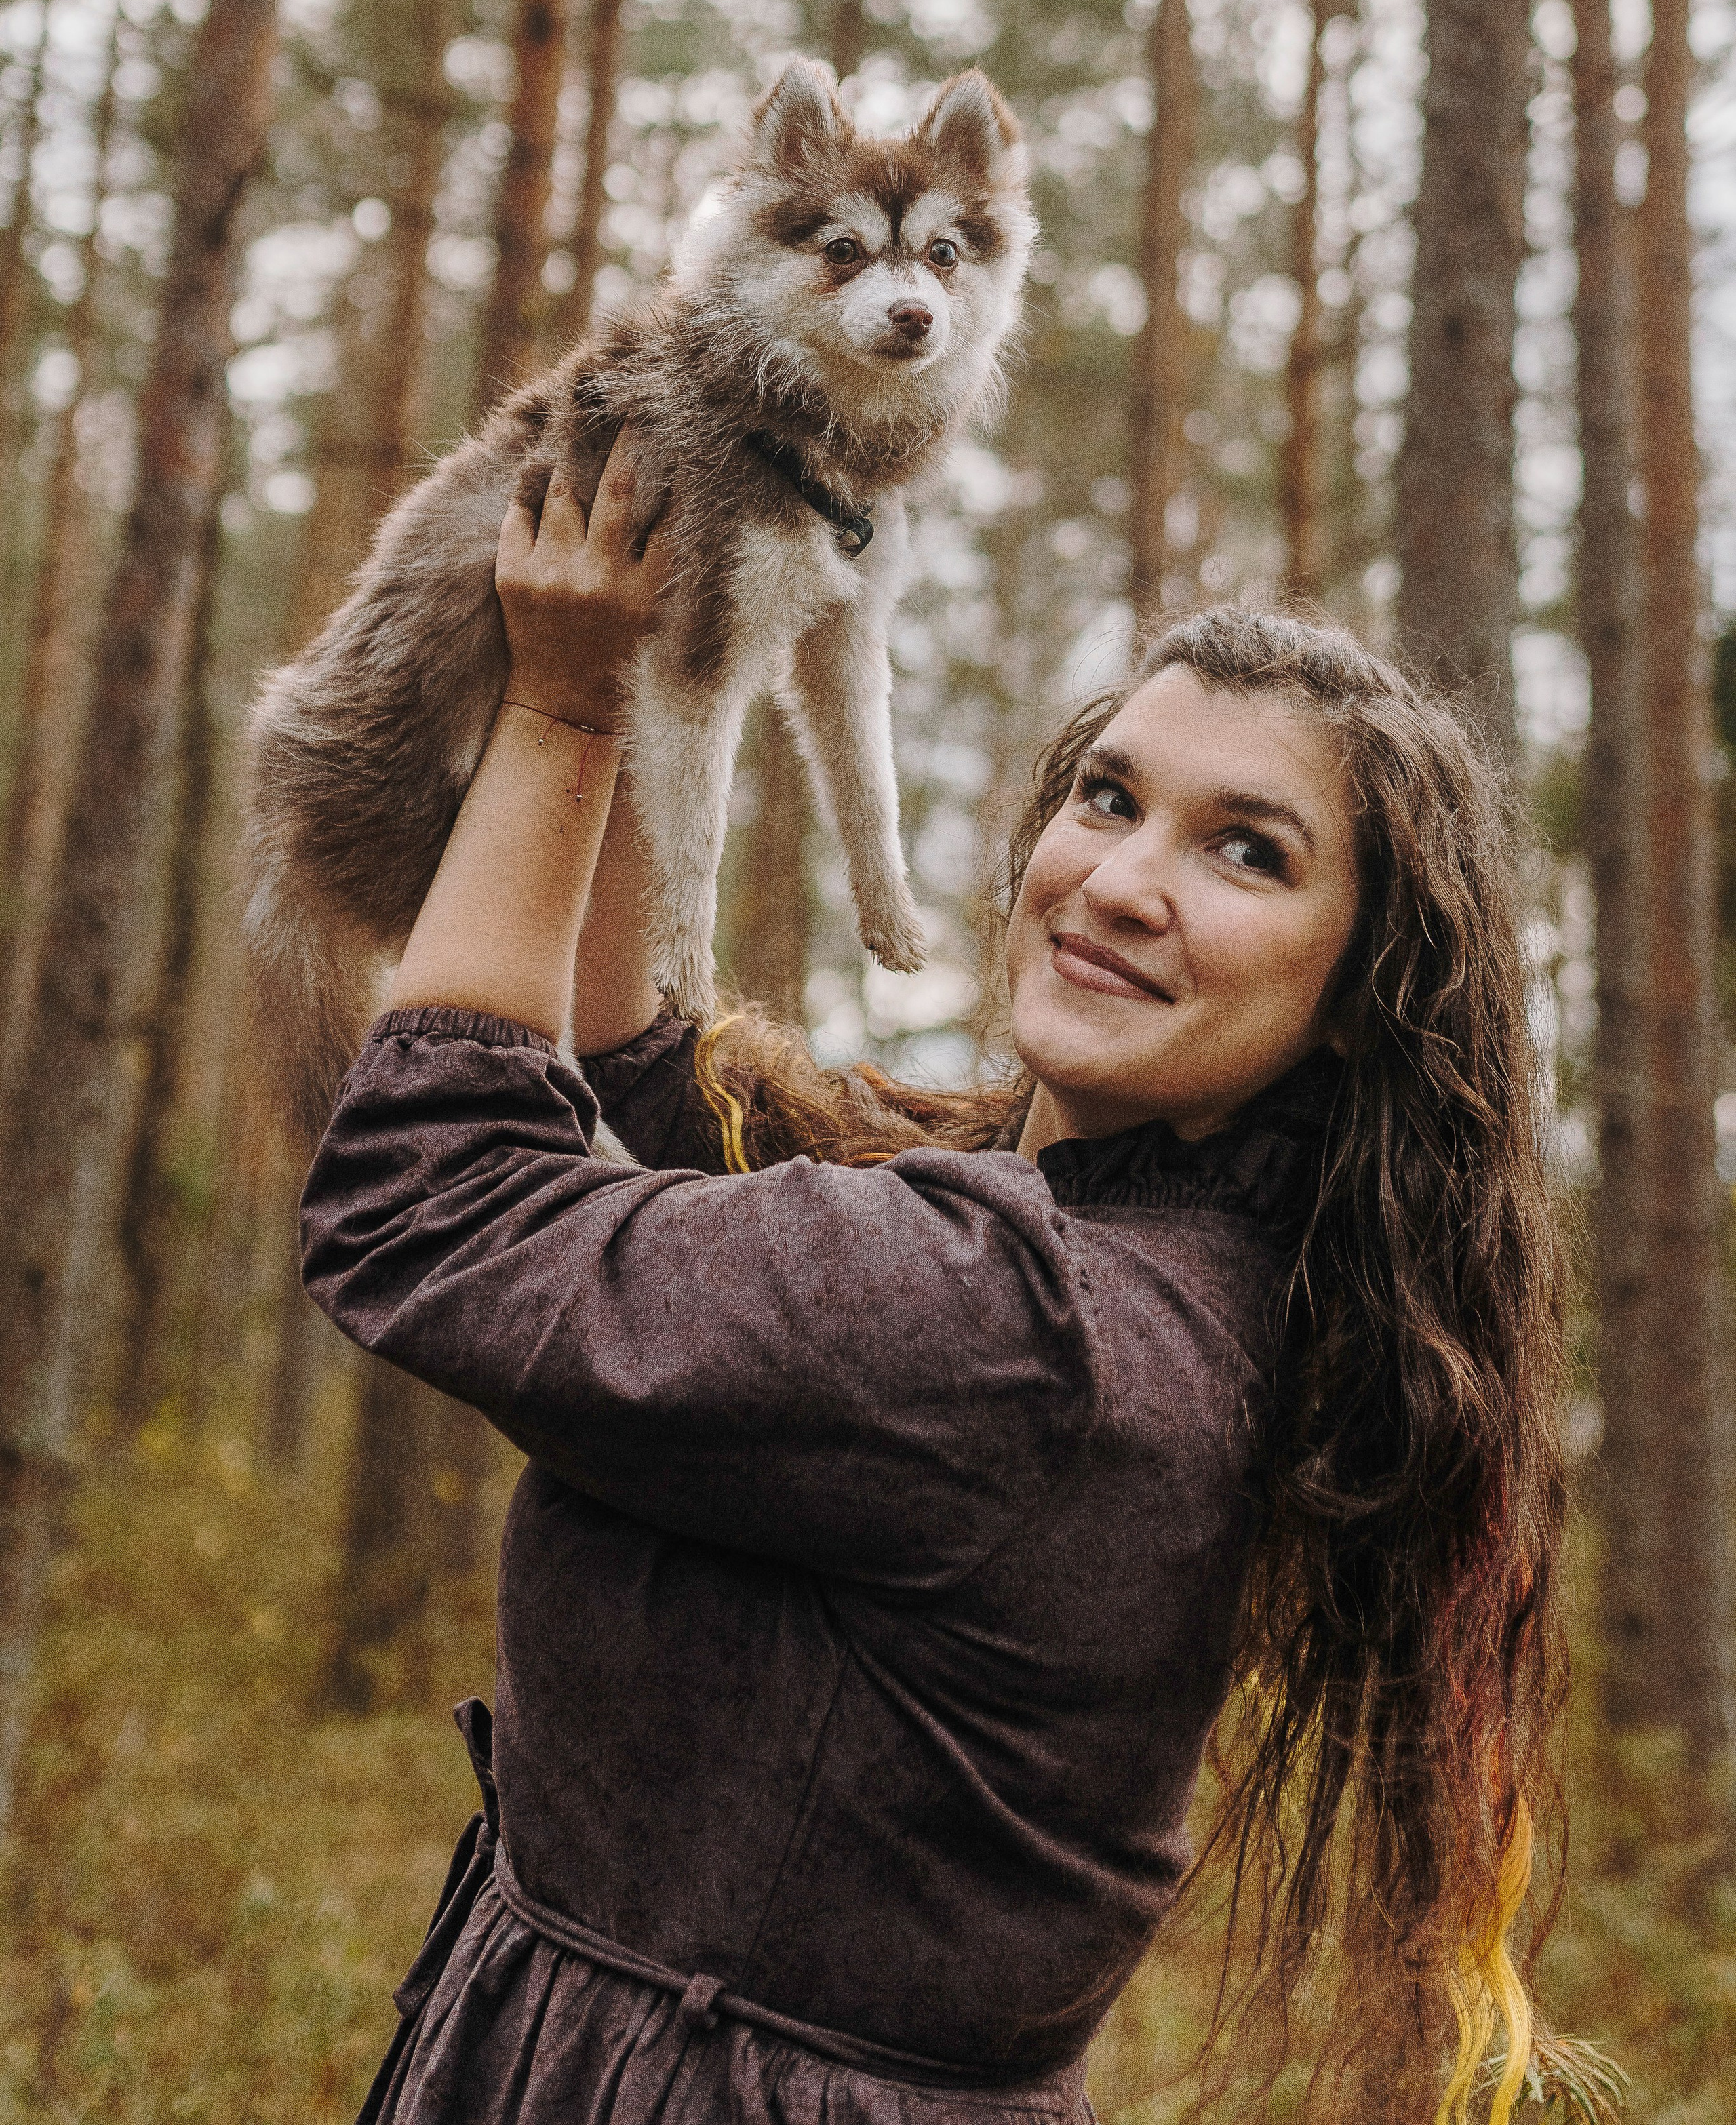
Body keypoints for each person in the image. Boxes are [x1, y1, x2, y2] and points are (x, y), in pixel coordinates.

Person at [299, 449, 1569, 2125]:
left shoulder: (1024, 1321)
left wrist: (552, 711)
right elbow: (648, 1116)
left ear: (1352, 992)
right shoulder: (1166, 1268)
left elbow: (426, 1202)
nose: (1118, 877)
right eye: (1106, 797)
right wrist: (626, 678)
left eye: (1246, 852)